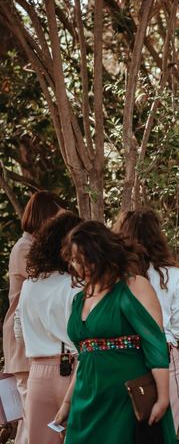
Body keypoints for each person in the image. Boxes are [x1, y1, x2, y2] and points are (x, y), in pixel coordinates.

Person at [54, 220, 176, 443]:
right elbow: (85, 355)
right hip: (86, 396)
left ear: (102, 252)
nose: (81, 267)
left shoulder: (133, 285)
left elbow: (155, 344)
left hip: (125, 397)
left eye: (85, 258)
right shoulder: (80, 298)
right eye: (74, 260)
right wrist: (67, 403)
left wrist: (163, 397)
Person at [113, 208, 179, 431]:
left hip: (124, 356)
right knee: (166, 429)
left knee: (127, 431)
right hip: (165, 355)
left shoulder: (114, 278)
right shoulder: (173, 276)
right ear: (157, 237)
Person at [15, 211, 82, 444]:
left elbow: (19, 333)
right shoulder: (75, 286)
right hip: (72, 369)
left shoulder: (29, 286)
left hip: (37, 372)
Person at [3, 190, 62, 444]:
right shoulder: (24, 248)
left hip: (33, 337)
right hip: (24, 338)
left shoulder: (31, 246)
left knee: (32, 419)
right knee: (30, 415)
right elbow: (47, 279)